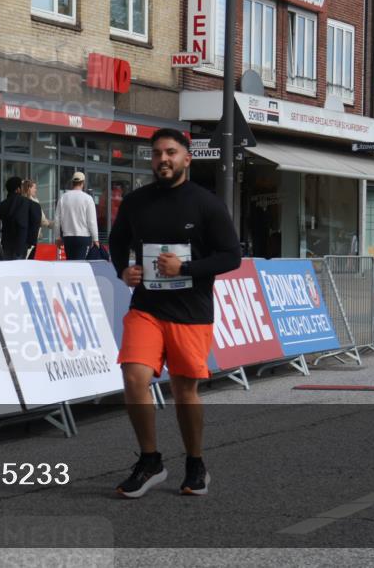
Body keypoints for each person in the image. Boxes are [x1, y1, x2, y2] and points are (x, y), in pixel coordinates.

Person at [108, 128, 242, 498]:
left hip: (190, 312)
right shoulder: (136, 202)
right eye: (156, 154)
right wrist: (124, 269)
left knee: (185, 391)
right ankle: (150, 460)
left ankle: (196, 463)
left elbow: (231, 256)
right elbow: (117, 241)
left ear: (187, 158)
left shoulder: (206, 203)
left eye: (170, 152)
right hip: (147, 308)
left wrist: (186, 269)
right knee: (134, 377)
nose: (162, 159)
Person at [0, 177, 41, 260]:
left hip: (6, 244)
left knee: (8, 268)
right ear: (18, 189)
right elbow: (36, 221)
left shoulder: (1, 205)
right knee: (19, 269)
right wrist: (31, 241)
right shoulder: (29, 204)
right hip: (22, 244)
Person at [54, 171, 98, 261]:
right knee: (81, 265)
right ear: (83, 183)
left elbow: (57, 219)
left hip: (68, 238)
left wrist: (57, 237)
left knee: (71, 264)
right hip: (83, 237)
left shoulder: (63, 197)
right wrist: (95, 238)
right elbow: (91, 221)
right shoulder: (88, 199)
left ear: (72, 183)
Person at [21, 178, 51, 259]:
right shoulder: (34, 202)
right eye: (34, 188)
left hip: (21, 237)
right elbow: (42, 219)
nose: (36, 190)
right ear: (29, 188)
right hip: (31, 237)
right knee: (28, 258)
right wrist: (50, 224)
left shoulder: (19, 200)